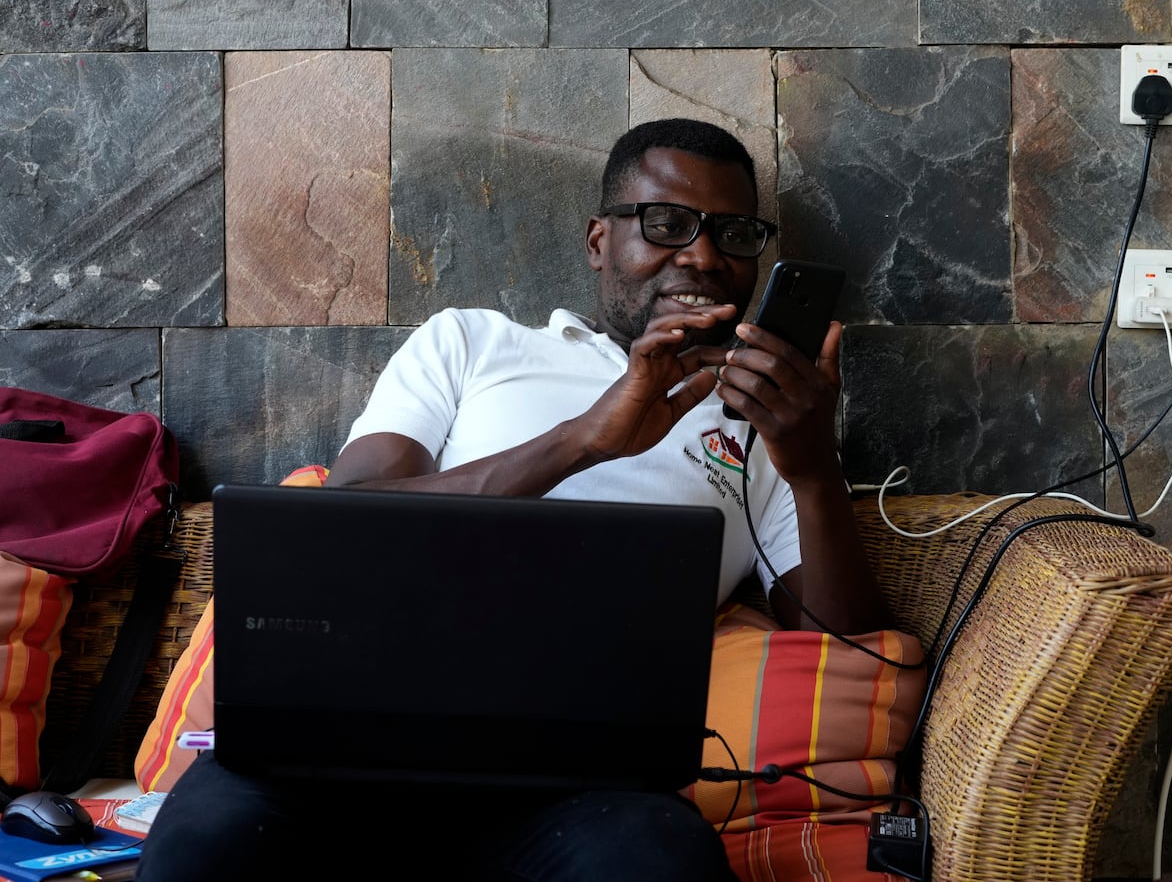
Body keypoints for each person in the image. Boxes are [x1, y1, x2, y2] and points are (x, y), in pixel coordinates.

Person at [133, 118, 888, 882]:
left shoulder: (759, 424)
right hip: (339, 749)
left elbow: (847, 644)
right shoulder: (471, 343)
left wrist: (813, 464)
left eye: (733, 233)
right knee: (201, 850)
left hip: (581, 790)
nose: (702, 253)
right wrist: (584, 439)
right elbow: (354, 512)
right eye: (666, 224)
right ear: (599, 241)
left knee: (661, 863)